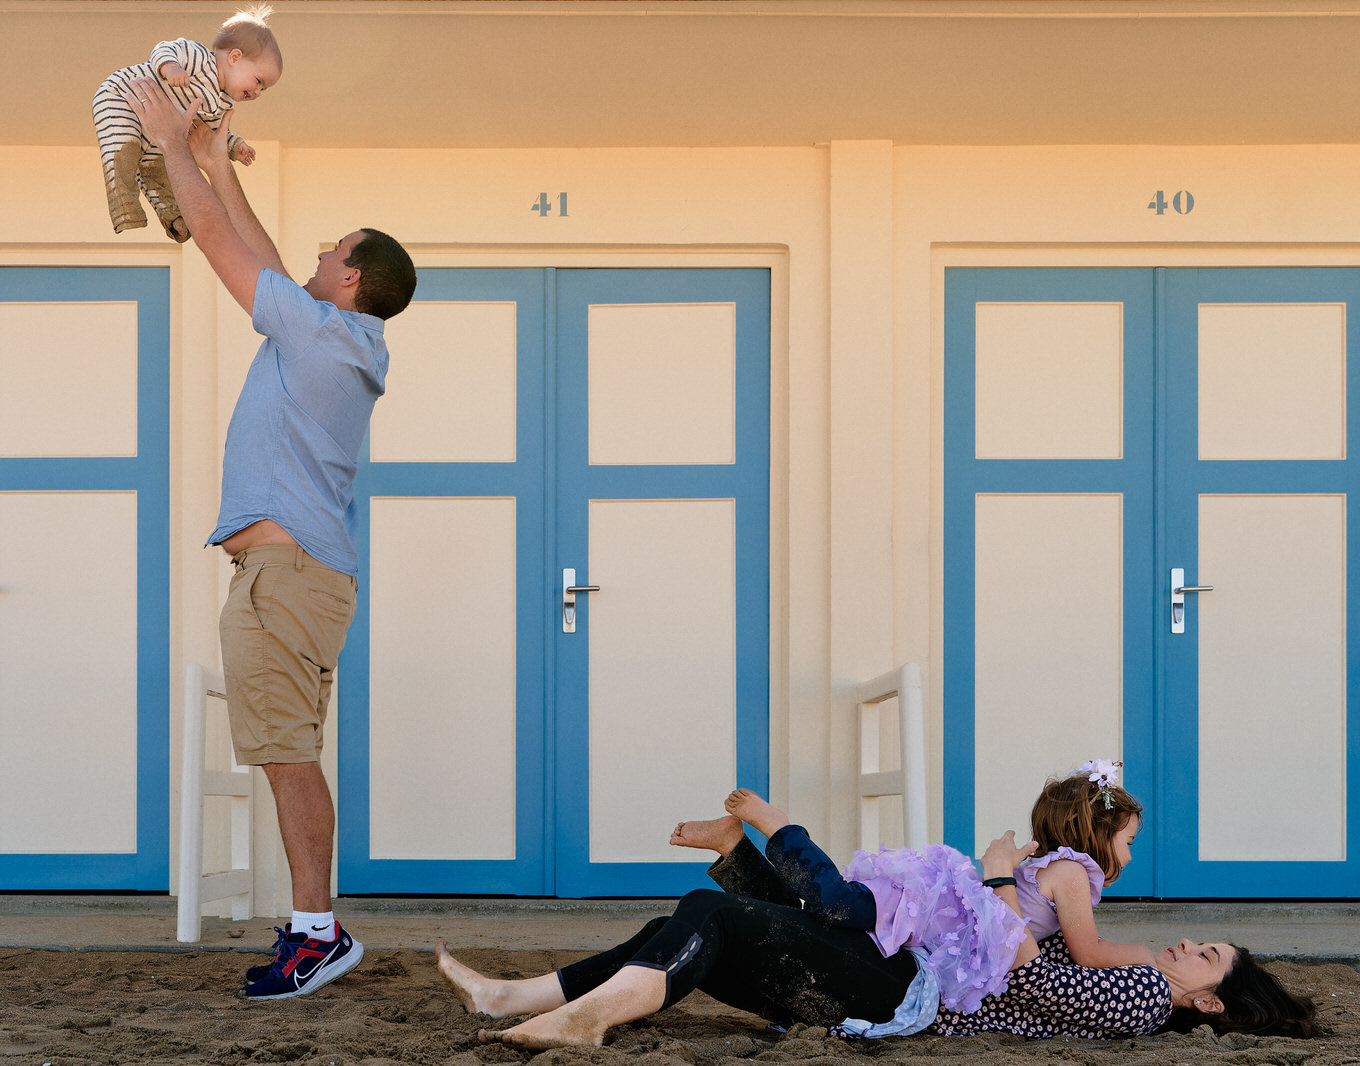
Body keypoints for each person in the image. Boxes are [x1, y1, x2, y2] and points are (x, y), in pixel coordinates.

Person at [120, 75, 416, 1001]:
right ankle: (314, 927)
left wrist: (172, 142)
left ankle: (319, 935)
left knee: (286, 755)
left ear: (354, 278)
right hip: (295, 573)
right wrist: (213, 160)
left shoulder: (325, 339)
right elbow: (265, 253)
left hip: (283, 575)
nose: (320, 251)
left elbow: (216, 240)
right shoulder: (332, 333)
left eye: (337, 248)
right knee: (291, 751)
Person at [437, 819, 1317, 1048]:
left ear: (1208, 999)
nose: (1183, 949)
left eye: (1204, 956)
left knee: (708, 917)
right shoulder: (1136, 983)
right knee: (688, 919)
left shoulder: (1141, 996)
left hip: (907, 997)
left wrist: (1003, 879)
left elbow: (1031, 975)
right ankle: (524, 996)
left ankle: (585, 1010)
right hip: (905, 974)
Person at [717, 787, 1025, 1012]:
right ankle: (780, 827)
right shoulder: (1062, 872)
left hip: (926, 931)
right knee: (836, 903)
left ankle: (735, 850)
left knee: (809, 922)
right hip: (923, 909)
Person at [93, 6, 282, 241]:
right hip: (123, 98)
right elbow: (163, 48)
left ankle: (174, 219)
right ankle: (124, 205)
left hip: (157, 133)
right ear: (235, 57)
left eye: (263, 89)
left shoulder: (221, 102)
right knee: (125, 149)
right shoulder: (200, 59)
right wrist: (171, 68)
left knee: (160, 171)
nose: (257, 92)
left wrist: (234, 146)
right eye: (258, 81)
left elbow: (209, 131)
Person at [1011, 759, 1154, 967]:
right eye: (1128, 843)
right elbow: (1089, 954)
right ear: (1098, 836)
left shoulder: (1054, 868)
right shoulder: (1070, 873)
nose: (1129, 857)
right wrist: (1147, 957)